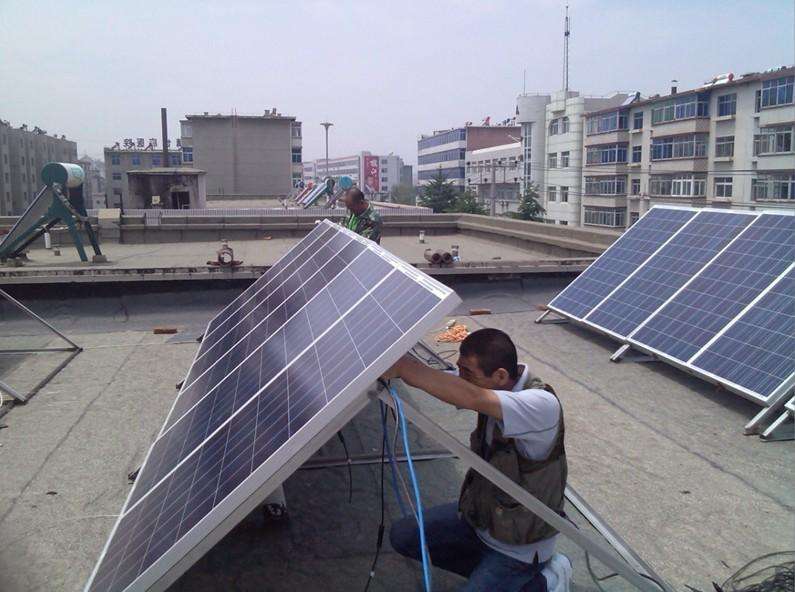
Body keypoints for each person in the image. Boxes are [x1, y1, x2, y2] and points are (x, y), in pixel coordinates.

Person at [383, 328, 571, 592]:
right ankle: (491, 578)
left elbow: (472, 396)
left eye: (468, 373)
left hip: (517, 548)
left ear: (500, 376)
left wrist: (402, 367)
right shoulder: (493, 385)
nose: (462, 378)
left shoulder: (540, 405)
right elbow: (449, 383)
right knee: (404, 536)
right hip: (479, 520)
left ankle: (543, 580)